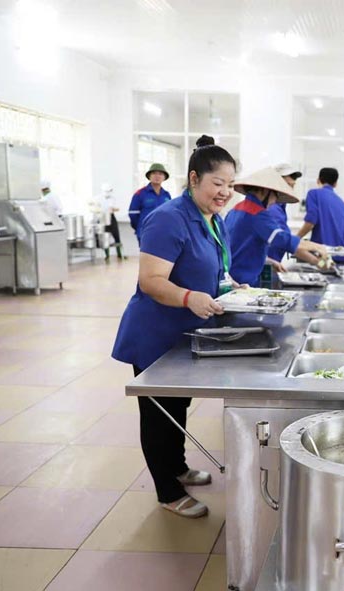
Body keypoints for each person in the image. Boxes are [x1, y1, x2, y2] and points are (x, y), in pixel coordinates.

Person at [112, 136, 237, 519]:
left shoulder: (212, 219)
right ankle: (167, 490)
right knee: (157, 412)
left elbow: (214, 271)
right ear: (194, 178)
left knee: (178, 404)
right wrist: (188, 297)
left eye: (231, 185)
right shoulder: (168, 218)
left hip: (185, 334)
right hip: (156, 334)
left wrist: (235, 286)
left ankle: (178, 467)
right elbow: (151, 280)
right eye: (218, 184)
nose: (225, 193)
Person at [225, 167, 330, 286]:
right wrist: (318, 247)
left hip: (233, 277)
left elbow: (240, 247)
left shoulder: (236, 209)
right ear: (265, 191)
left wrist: (268, 261)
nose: (275, 201)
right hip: (243, 282)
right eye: (276, 195)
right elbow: (283, 239)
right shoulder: (257, 213)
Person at [295, 167, 344, 248]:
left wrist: (294, 240)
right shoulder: (342, 203)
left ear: (318, 180)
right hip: (342, 251)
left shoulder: (313, 194)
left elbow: (310, 222)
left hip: (322, 252)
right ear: (335, 183)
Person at [266, 163, 302, 262]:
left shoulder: (280, 207)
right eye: (287, 185)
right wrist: (320, 261)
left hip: (272, 262)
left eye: (292, 185)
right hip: (266, 266)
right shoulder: (272, 209)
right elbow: (284, 241)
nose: (290, 190)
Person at [129, 163, 172, 242]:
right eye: (154, 173)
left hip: (163, 233)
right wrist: (140, 227)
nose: (157, 176)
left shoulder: (167, 195)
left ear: (164, 177)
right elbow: (133, 214)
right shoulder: (140, 194)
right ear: (149, 176)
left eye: (160, 174)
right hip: (145, 233)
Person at [95, 183, 124, 260]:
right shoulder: (97, 198)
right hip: (102, 219)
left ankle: (120, 254)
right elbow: (94, 208)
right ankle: (106, 255)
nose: (107, 193)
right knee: (105, 238)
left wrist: (113, 209)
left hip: (111, 217)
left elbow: (116, 208)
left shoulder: (113, 198)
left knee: (116, 236)